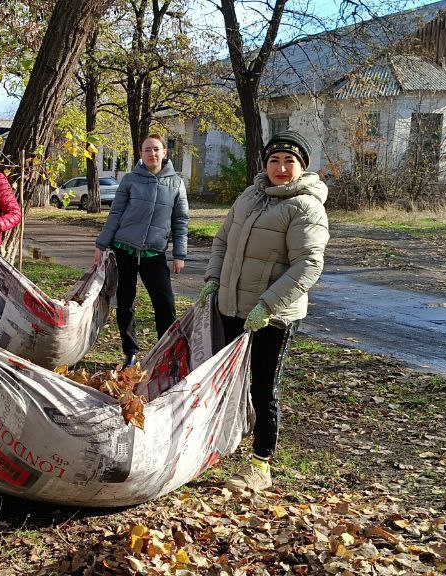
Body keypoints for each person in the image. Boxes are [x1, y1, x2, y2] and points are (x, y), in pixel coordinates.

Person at [200, 130, 329, 491]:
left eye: (290, 161)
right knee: (228, 382)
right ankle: (220, 446)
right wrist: (213, 278)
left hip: (272, 316)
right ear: (266, 164)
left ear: (302, 167)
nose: (281, 167)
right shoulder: (250, 196)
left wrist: (268, 305)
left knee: (263, 388)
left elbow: (308, 265)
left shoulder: (305, 207)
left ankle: (261, 465)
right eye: (275, 160)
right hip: (231, 306)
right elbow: (223, 239)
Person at [94, 133, 189, 367]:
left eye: (156, 149)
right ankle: (130, 352)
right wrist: (101, 245)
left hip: (154, 253)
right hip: (124, 250)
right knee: (125, 302)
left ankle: (166, 352)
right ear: (141, 153)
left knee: (164, 303)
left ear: (165, 152)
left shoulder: (176, 182)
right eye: (147, 149)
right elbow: (115, 213)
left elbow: (181, 220)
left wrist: (179, 254)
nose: (152, 153)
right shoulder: (130, 179)